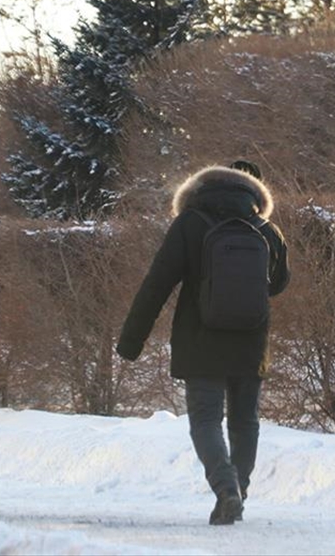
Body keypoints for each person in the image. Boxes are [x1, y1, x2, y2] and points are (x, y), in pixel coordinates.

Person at [117, 160, 290, 526]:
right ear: (253, 193)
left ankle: (225, 490)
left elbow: (157, 284)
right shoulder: (265, 228)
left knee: (206, 420)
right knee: (245, 422)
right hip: (250, 338)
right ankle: (238, 490)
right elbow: (278, 283)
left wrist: (132, 340)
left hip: (200, 341)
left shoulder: (190, 224)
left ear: (200, 189)